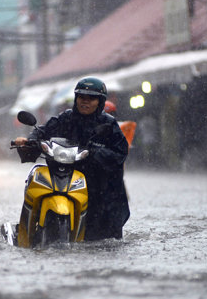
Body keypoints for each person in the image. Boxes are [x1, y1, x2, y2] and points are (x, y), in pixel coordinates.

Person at [14, 77, 130, 240]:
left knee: (105, 232)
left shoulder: (108, 124)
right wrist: (29, 140)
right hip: (62, 174)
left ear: (100, 101)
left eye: (91, 98)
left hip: (97, 185)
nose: (85, 102)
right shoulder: (65, 118)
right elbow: (42, 131)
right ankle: (26, 233)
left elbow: (120, 153)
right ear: (76, 99)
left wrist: (96, 153)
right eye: (82, 97)